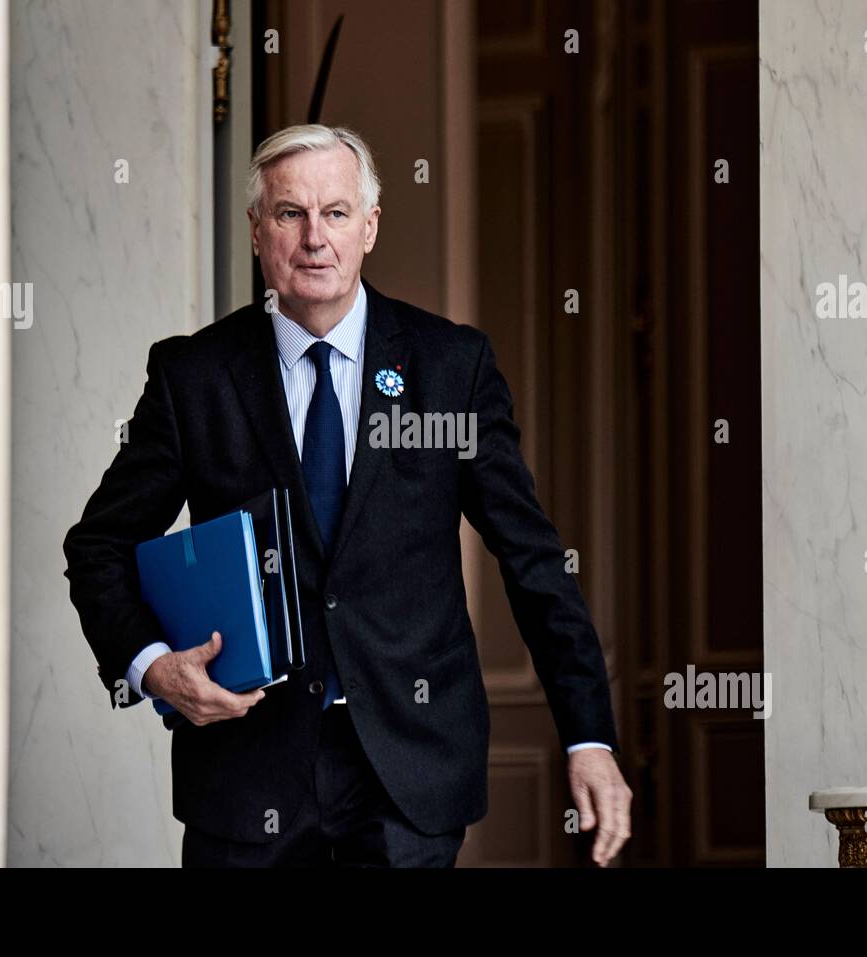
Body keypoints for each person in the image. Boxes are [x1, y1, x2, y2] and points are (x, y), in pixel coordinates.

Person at [62, 123, 632, 867]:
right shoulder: (193, 376)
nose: (314, 238)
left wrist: (588, 735)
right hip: (246, 775)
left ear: (370, 226)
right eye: (290, 213)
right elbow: (97, 546)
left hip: (409, 776)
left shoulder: (449, 368)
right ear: (257, 231)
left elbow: (532, 560)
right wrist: (152, 665)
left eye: (335, 213)